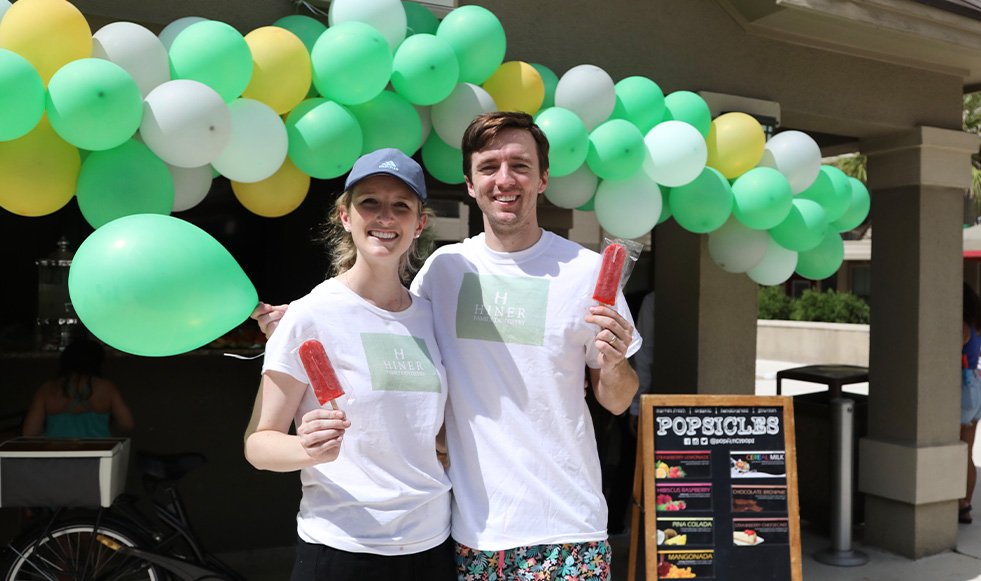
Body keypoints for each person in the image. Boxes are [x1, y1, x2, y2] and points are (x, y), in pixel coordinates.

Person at [254, 112, 641, 580]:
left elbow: (617, 401)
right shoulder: (444, 270)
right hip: (469, 530)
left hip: (567, 525)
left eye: (520, 165)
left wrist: (616, 361)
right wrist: (294, 323)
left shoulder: (587, 272)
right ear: (470, 183)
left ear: (543, 178)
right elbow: (376, 323)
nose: (504, 180)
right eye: (488, 167)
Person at [244, 148, 455, 580]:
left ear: (419, 224)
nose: (385, 217)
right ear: (345, 216)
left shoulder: (431, 317)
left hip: (432, 543)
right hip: (342, 548)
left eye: (401, 206)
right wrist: (305, 448)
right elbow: (259, 444)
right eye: (369, 203)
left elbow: (428, 432)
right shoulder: (310, 315)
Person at [22, 337, 134, 438]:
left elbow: (30, 432)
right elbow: (127, 424)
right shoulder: (106, 388)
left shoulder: (48, 389)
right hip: (98, 454)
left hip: (57, 455)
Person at [960, 282, 981, 524]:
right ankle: (966, 504)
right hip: (975, 383)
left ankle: (960, 503)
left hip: (963, 388)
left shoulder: (962, 326)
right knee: (968, 451)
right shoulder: (976, 326)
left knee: (959, 451)